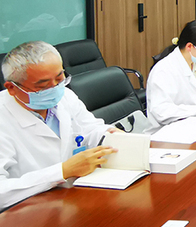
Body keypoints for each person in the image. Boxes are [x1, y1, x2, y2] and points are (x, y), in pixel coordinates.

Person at [0, 41, 118, 209]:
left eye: (59, 78)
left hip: (73, 198)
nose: (54, 88)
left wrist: (113, 134)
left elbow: (90, 128)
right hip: (28, 211)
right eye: (43, 86)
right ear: (12, 88)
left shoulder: (65, 96)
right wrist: (62, 171)